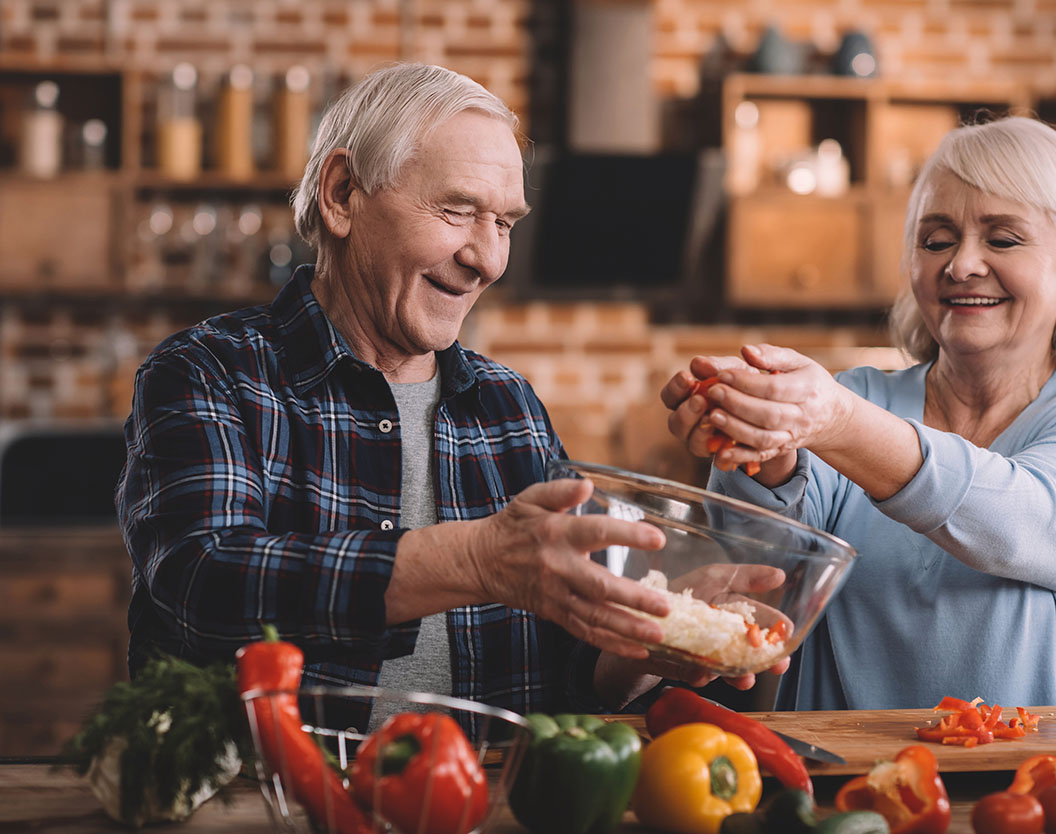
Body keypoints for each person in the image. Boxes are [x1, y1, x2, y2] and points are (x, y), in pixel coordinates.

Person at [116, 62, 693, 730]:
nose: (489, 259)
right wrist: (474, 561)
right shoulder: (211, 373)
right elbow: (203, 586)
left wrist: (648, 642)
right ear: (341, 195)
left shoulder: (510, 409)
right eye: (457, 211)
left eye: (504, 223)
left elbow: (558, 678)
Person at [662, 116, 1056, 710]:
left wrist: (836, 423)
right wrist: (763, 453)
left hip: (1040, 795)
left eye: (1002, 239)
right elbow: (759, 584)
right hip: (845, 794)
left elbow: (1021, 521)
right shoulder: (853, 402)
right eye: (936, 240)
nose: (960, 265)